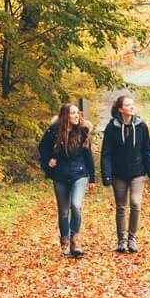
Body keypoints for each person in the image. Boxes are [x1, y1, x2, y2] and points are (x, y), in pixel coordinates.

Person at [100, 93, 150, 253]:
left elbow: (148, 150)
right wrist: (106, 175)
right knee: (121, 206)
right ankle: (121, 240)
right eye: (127, 105)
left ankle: (132, 238)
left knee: (135, 203)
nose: (131, 107)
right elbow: (106, 153)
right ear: (120, 109)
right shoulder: (112, 128)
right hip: (118, 173)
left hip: (137, 172)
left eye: (132, 104)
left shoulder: (141, 126)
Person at [37, 103, 95, 258]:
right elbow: (43, 149)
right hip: (60, 175)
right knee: (63, 211)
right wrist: (48, 162)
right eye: (73, 113)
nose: (77, 116)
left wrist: (92, 178)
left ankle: (76, 241)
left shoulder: (83, 131)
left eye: (78, 113)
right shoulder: (54, 132)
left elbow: (88, 156)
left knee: (76, 206)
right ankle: (65, 243)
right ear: (65, 116)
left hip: (79, 174)